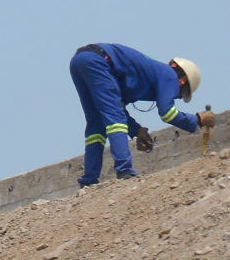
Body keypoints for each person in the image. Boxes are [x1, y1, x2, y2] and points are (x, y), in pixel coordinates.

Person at [68, 44, 215, 186]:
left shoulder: (144, 78)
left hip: (80, 60)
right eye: (180, 93)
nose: (175, 96)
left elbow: (116, 107)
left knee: (96, 124)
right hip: (98, 61)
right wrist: (197, 120)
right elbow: (167, 113)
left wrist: (136, 130)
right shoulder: (169, 76)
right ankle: (124, 170)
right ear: (183, 81)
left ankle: (89, 180)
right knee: (115, 119)